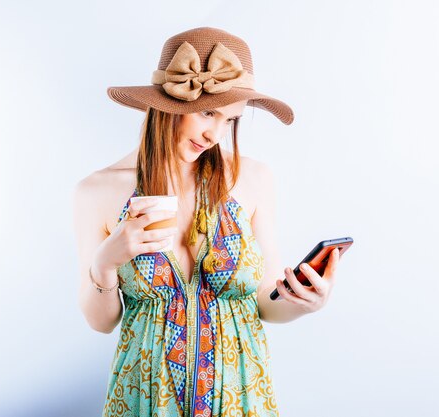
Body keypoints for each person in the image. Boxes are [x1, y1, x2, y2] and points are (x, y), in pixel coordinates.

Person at [73, 27, 339, 417]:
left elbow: (266, 302)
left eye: (230, 120)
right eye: (208, 112)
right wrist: (105, 263)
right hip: (146, 398)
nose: (215, 134)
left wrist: (304, 303)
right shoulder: (96, 191)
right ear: (167, 105)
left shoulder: (251, 180)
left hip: (242, 396)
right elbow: (102, 323)